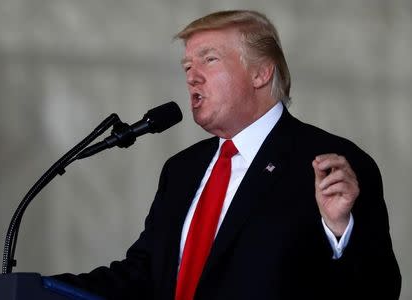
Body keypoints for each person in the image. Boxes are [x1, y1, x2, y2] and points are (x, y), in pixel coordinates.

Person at [54, 10, 401, 300]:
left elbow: (379, 289)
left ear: (261, 73)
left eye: (209, 60)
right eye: (187, 67)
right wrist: (39, 289)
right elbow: (143, 274)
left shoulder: (328, 162)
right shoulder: (181, 170)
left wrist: (340, 232)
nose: (193, 77)